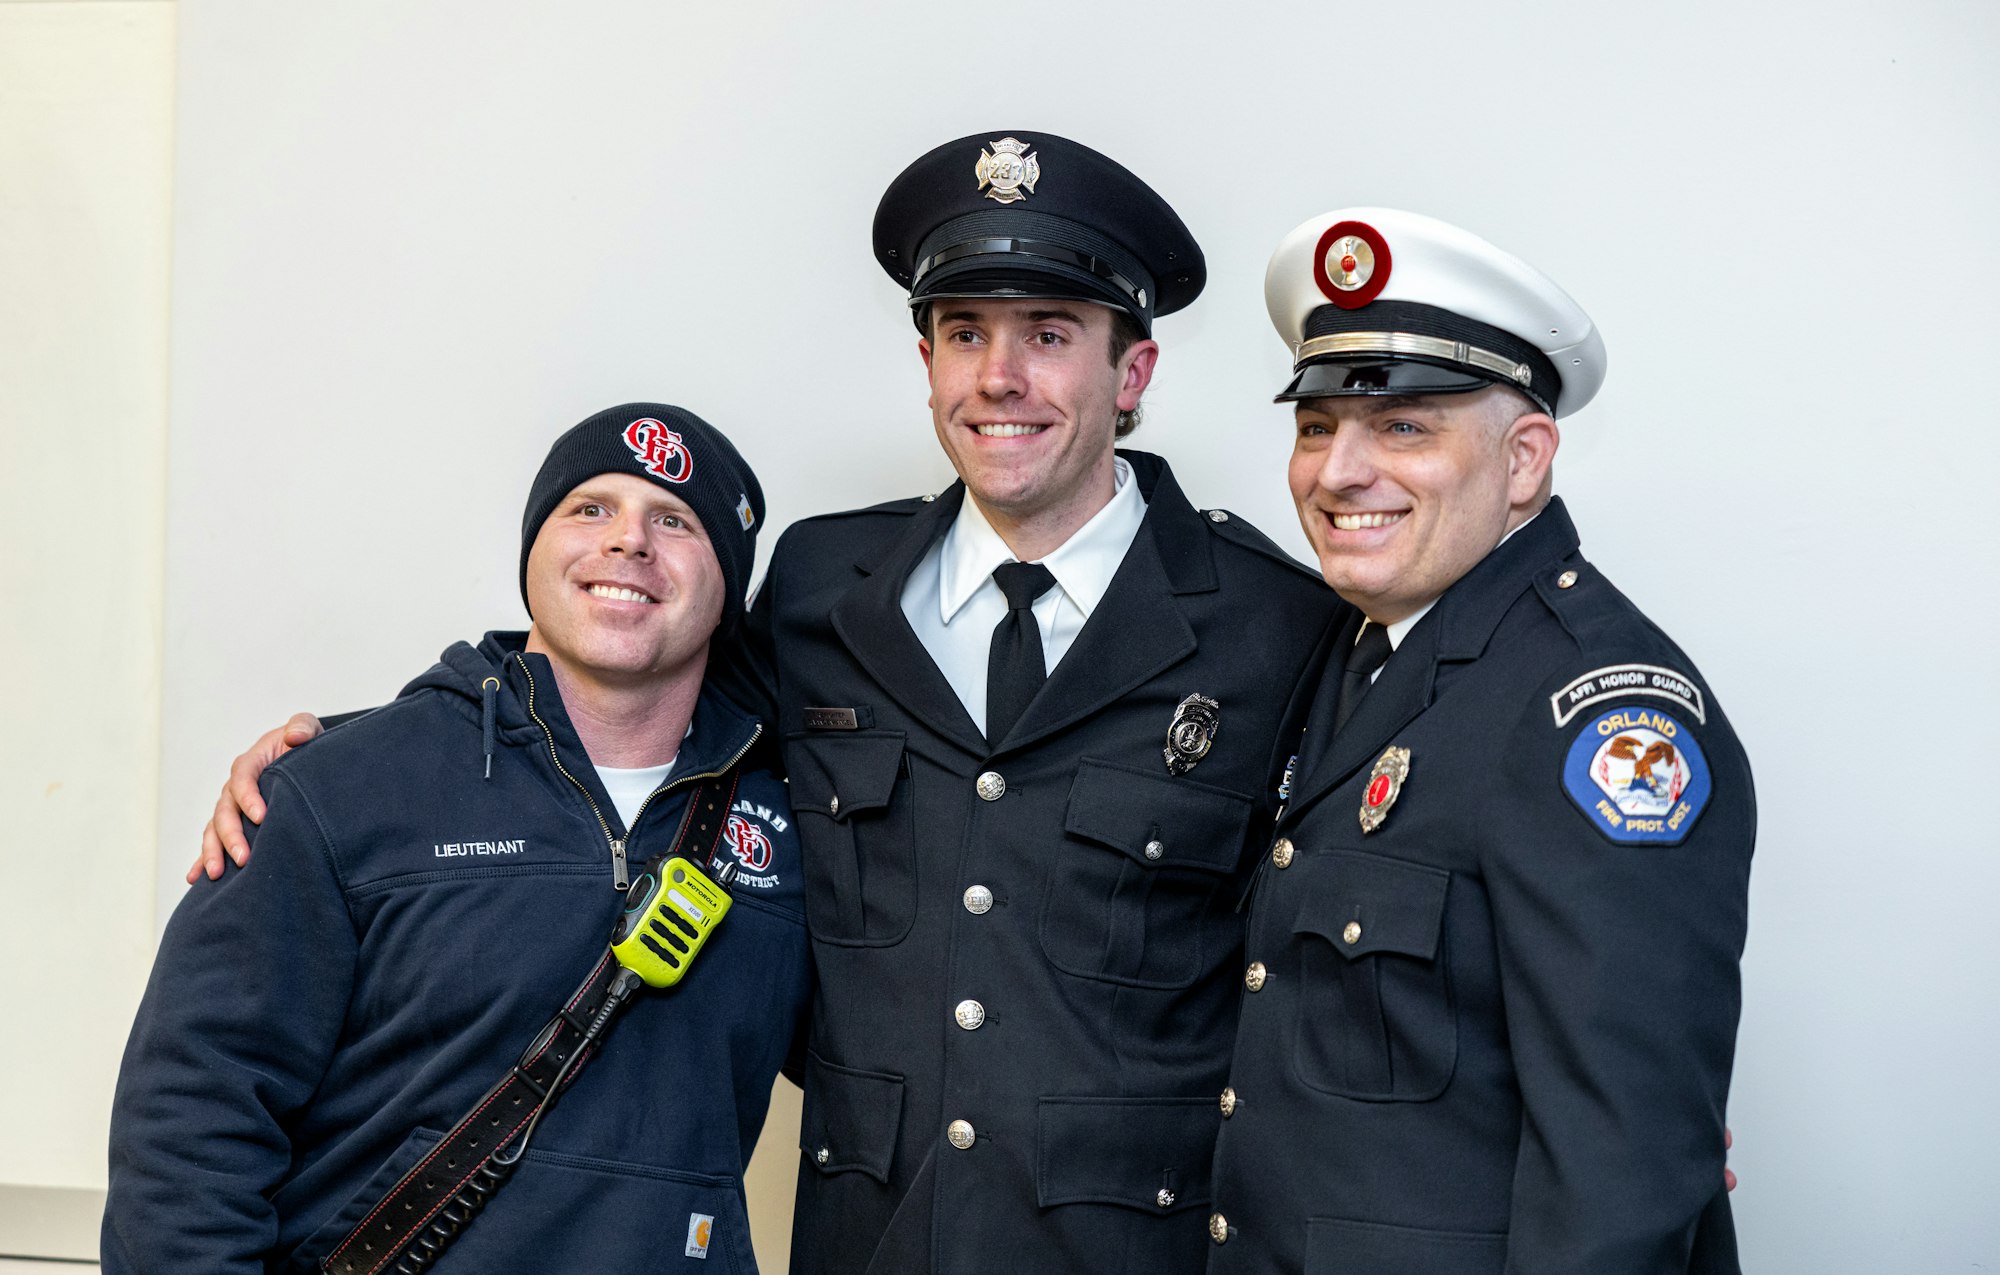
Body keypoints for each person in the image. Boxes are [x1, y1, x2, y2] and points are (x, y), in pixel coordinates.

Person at [189, 133, 1345, 1275]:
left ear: (1129, 374)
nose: (1000, 378)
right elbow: (616, 683)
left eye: (1048, 336)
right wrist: (351, 755)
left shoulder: (1274, 624)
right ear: (929, 364)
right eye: (963, 335)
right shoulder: (820, 588)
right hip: (867, 1240)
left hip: (1132, 1247)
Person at [106, 405, 811, 1273]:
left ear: (728, 589)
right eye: (589, 508)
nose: (629, 541)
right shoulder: (340, 788)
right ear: (533, 553)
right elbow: (191, 1118)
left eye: (675, 519)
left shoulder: (802, 833)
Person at [1201, 209, 1753, 1273]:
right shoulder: (1347, 654)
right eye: (1315, 427)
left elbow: (1622, 1176)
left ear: (1523, 460)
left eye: (1403, 428)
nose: (1335, 473)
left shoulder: (1594, 719)